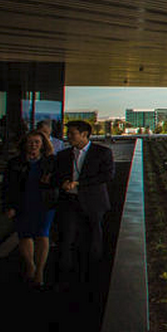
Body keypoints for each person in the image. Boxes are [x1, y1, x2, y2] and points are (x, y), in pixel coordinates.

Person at [53, 120, 114, 284]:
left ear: (84, 135)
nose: (68, 137)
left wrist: (79, 183)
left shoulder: (102, 152)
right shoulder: (63, 155)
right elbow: (56, 176)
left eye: (72, 133)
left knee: (94, 236)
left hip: (93, 202)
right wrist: (62, 183)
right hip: (70, 202)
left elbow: (107, 176)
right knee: (68, 236)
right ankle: (66, 275)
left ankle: (94, 274)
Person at [2, 129, 59, 286]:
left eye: (37, 142)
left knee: (42, 234)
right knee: (25, 235)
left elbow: (58, 182)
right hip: (22, 203)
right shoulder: (14, 163)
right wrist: (8, 206)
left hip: (44, 204)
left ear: (43, 145)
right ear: (24, 144)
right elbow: (7, 186)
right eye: (30, 142)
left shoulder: (51, 161)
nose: (33, 145)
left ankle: (40, 270)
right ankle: (30, 265)